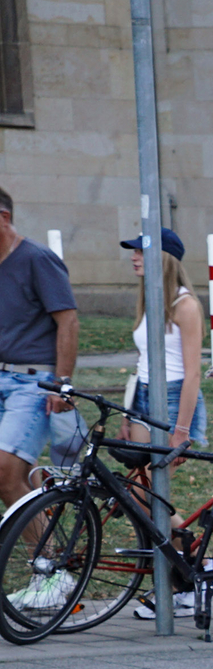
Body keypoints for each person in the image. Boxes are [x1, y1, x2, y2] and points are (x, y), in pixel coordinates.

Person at [0, 185, 81, 508]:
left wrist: (61, 383)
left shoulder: (37, 258)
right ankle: (47, 549)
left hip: (32, 383)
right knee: (19, 474)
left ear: (3, 218)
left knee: (5, 475)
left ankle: (46, 557)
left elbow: (69, 322)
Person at [119, 227, 207, 460]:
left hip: (173, 397)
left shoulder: (185, 306)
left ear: (162, 258)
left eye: (140, 251)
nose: (133, 257)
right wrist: (127, 415)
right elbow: (142, 361)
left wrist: (182, 431)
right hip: (143, 394)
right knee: (141, 485)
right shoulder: (150, 300)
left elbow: (193, 374)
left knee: (146, 490)